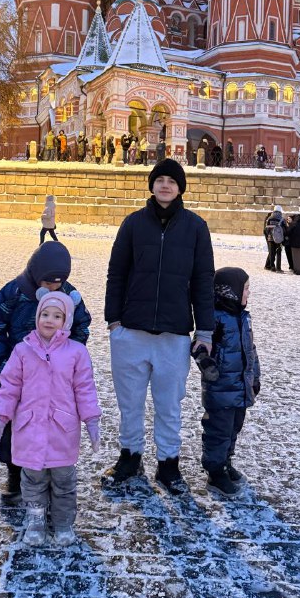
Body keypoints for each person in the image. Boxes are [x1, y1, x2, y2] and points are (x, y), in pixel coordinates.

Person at [104, 158, 215, 492]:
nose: (165, 185)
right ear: (152, 185)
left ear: (180, 188)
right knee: (130, 404)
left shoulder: (196, 228)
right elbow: (116, 273)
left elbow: (203, 280)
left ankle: (168, 464)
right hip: (131, 332)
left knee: (169, 406)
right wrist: (114, 321)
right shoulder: (133, 224)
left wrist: (204, 330)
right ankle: (130, 456)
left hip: (174, 334)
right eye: (160, 179)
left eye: (172, 181)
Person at [0, 292, 101, 546]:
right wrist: (0, 419)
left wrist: (91, 420)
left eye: (57, 316)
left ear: (66, 321)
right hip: (29, 431)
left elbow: (85, 389)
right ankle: (36, 520)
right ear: (37, 316)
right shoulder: (22, 350)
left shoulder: (77, 353)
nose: (49, 320)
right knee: (32, 482)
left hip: (62, 431)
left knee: (64, 482)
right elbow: (9, 387)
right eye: (45, 314)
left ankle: (63, 523)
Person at [0, 242, 92, 503]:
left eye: (58, 283)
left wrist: (68, 357)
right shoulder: (14, 292)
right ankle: (14, 472)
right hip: (18, 370)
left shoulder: (69, 295)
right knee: (12, 421)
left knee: (51, 421)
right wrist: (2, 359)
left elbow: (81, 325)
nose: (53, 288)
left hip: (54, 376)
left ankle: (50, 470)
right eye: (47, 282)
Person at [201, 268, 260, 497]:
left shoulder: (243, 317)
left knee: (234, 428)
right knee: (219, 432)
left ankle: (225, 462)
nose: (248, 293)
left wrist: (255, 378)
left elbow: (251, 350)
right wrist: (208, 366)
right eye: (245, 289)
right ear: (231, 292)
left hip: (240, 388)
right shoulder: (215, 318)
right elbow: (199, 347)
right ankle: (215, 473)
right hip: (221, 389)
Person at [264, 205, 287, 272]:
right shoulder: (282, 219)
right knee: (278, 252)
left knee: (272, 252)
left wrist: (269, 235)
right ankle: (278, 268)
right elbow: (285, 230)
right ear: (280, 211)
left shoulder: (269, 218)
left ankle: (272, 267)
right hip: (279, 239)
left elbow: (266, 229)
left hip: (270, 238)